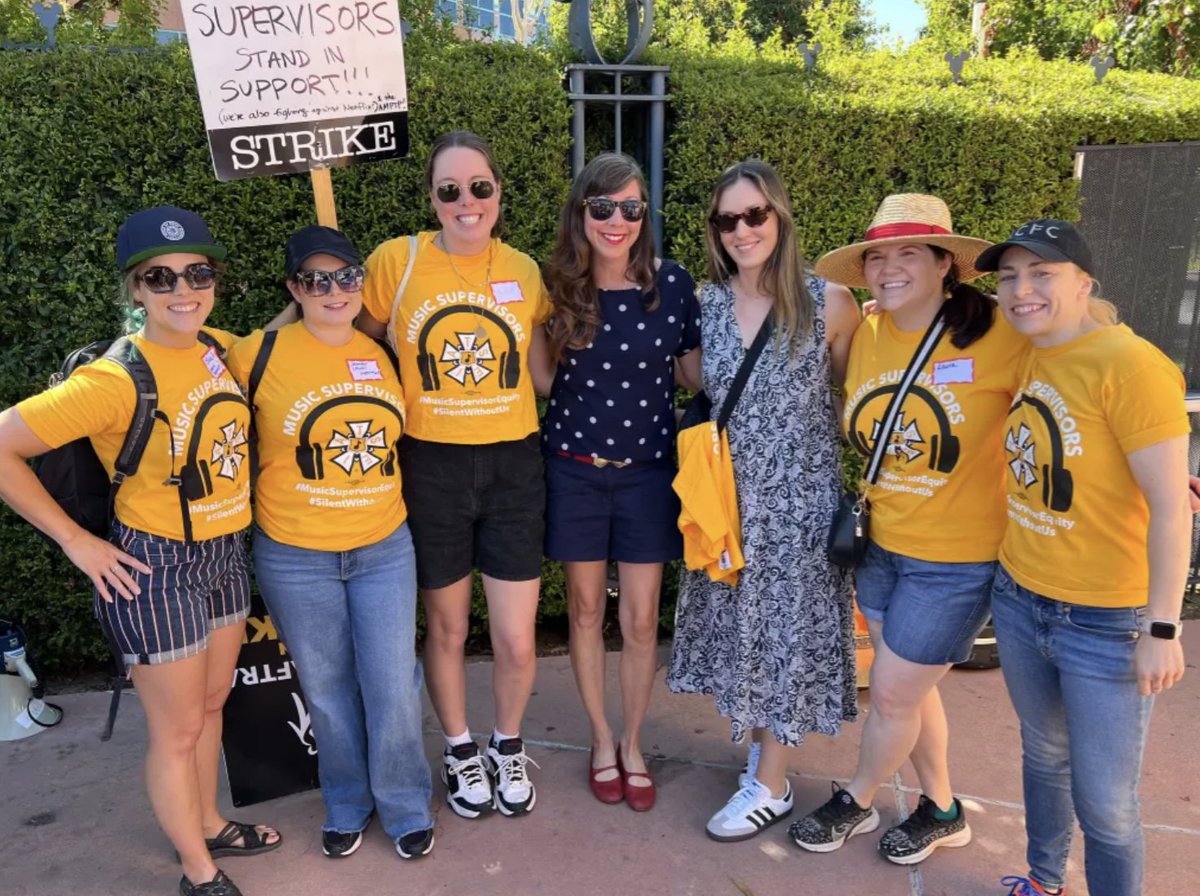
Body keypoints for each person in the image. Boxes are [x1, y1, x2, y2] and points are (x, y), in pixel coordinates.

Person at [0, 207, 277, 896]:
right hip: (155, 571)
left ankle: (210, 822)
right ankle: (197, 870)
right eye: (160, 277)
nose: (183, 288)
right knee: (178, 731)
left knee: (213, 704)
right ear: (134, 290)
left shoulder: (220, 346)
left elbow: (288, 341)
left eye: (198, 272)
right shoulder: (116, 379)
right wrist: (76, 542)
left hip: (222, 555)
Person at [789, 194, 1027, 865]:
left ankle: (858, 798)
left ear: (946, 263)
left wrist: (1142, 474)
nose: (890, 267)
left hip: (957, 559)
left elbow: (1080, 389)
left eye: (909, 253)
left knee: (893, 691)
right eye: (880, 255)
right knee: (909, 690)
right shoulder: (866, 333)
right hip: (882, 544)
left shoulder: (1000, 333)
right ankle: (944, 809)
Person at [979, 221, 1190, 896]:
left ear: (1085, 282)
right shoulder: (1029, 346)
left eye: (1042, 274)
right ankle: (1045, 883)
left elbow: (1170, 506)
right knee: (1043, 757)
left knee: (1107, 805)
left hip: (1108, 622)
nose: (1021, 290)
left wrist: (1164, 627)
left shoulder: (1132, 367)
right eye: (1009, 276)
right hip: (1020, 598)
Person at [666, 159, 861, 841]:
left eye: (755, 214)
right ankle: (763, 752)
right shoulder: (705, 303)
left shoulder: (829, 302)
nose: (742, 229)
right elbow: (695, 381)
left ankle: (772, 785)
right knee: (746, 636)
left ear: (779, 216)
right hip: (727, 504)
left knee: (783, 635)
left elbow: (858, 400)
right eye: (727, 219)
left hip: (798, 507)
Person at [358, 131, 551, 819]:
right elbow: (357, 337)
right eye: (449, 191)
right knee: (444, 628)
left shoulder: (525, 272)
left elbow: (543, 368)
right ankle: (461, 747)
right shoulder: (396, 262)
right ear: (432, 200)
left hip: (513, 464)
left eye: (479, 188)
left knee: (518, 635)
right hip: (430, 462)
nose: (466, 202)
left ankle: (506, 741)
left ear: (498, 194)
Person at [225, 226, 433, 861]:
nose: (334, 290)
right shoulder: (255, 353)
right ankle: (347, 801)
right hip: (294, 554)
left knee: (394, 683)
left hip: (382, 546)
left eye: (346, 276)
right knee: (325, 688)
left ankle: (404, 802)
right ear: (294, 287)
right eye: (316, 279)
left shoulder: (386, 352)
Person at [537, 152, 701, 811]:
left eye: (631, 208)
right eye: (602, 207)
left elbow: (694, 375)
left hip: (648, 477)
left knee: (638, 620)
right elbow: (545, 381)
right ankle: (600, 739)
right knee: (583, 610)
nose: (617, 221)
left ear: (645, 216)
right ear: (581, 212)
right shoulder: (558, 286)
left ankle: (633, 741)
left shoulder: (674, 284)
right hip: (575, 472)